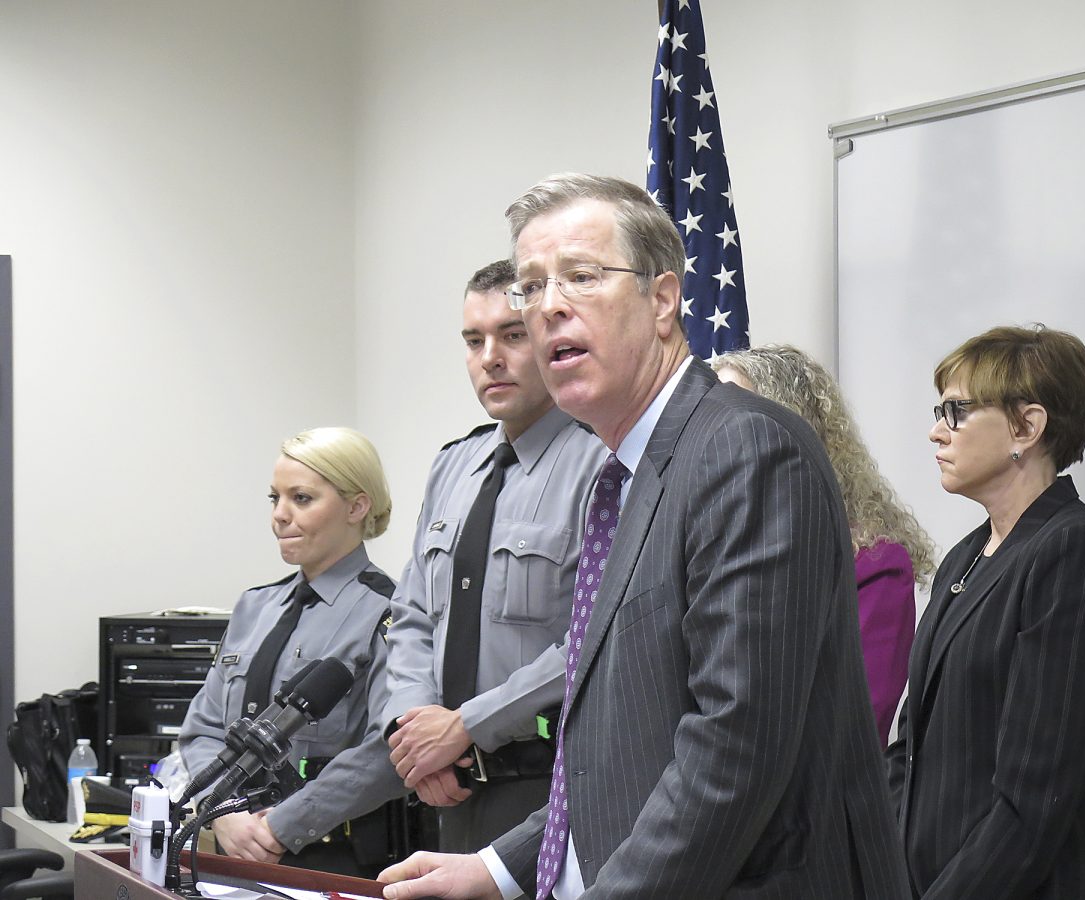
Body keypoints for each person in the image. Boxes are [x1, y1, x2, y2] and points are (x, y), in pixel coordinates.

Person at [378, 174, 907, 899]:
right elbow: (620, 752)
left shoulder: (743, 449)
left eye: (582, 276)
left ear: (662, 300)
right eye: (532, 287)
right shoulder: (625, 475)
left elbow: (732, 747)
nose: (549, 305)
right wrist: (498, 870)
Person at [888, 325, 1085, 898]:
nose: (936, 431)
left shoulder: (1078, 551)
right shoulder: (964, 556)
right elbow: (911, 750)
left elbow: (1034, 799)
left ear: (1026, 427)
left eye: (956, 412)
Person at [382, 260, 608, 853]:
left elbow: (595, 637)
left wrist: (466, 726)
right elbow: (411, 617)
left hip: (550, 787)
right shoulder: (453, 465)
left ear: (550, 340)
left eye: (512, 335)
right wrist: (413, 731)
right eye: (473, 340)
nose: (490, 358)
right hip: (446, 788)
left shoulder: (601, 465)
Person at [179, 427, 404, 879]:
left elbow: (388, 752)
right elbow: (202, 728)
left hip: (329, 859)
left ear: (357, 507)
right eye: (275, 498)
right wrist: (220, 810)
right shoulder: (254, 607)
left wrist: (282, 827)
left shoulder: (390, 612)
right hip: (231, 849)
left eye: (301, 498)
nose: (280, 516)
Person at [714, 344, 935, 745]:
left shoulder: (874, 563)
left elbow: (855, 721)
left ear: (790, 429)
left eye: (733, 416)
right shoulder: (708, 546)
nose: (713, 435)